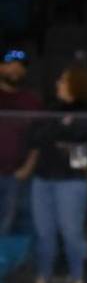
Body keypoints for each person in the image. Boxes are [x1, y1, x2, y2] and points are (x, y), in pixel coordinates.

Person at [21, 60, 87, 283]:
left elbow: (81, 148)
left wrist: (62, 139)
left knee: (70, 232)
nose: (58, 83)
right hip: (43, 179)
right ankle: (42, 279)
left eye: (63, 80)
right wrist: (61, 138)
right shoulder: (51, 109)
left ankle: (78, 281)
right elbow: (36, 137)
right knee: (44, 233)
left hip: (71, 181)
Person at [0, 47, 42, 236]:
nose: (15, 70)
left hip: (16, 175)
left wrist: (27, 167)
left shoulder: (31, 101)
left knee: (9, 224)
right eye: (10, 65)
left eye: (20, 66)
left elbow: (38, 139)